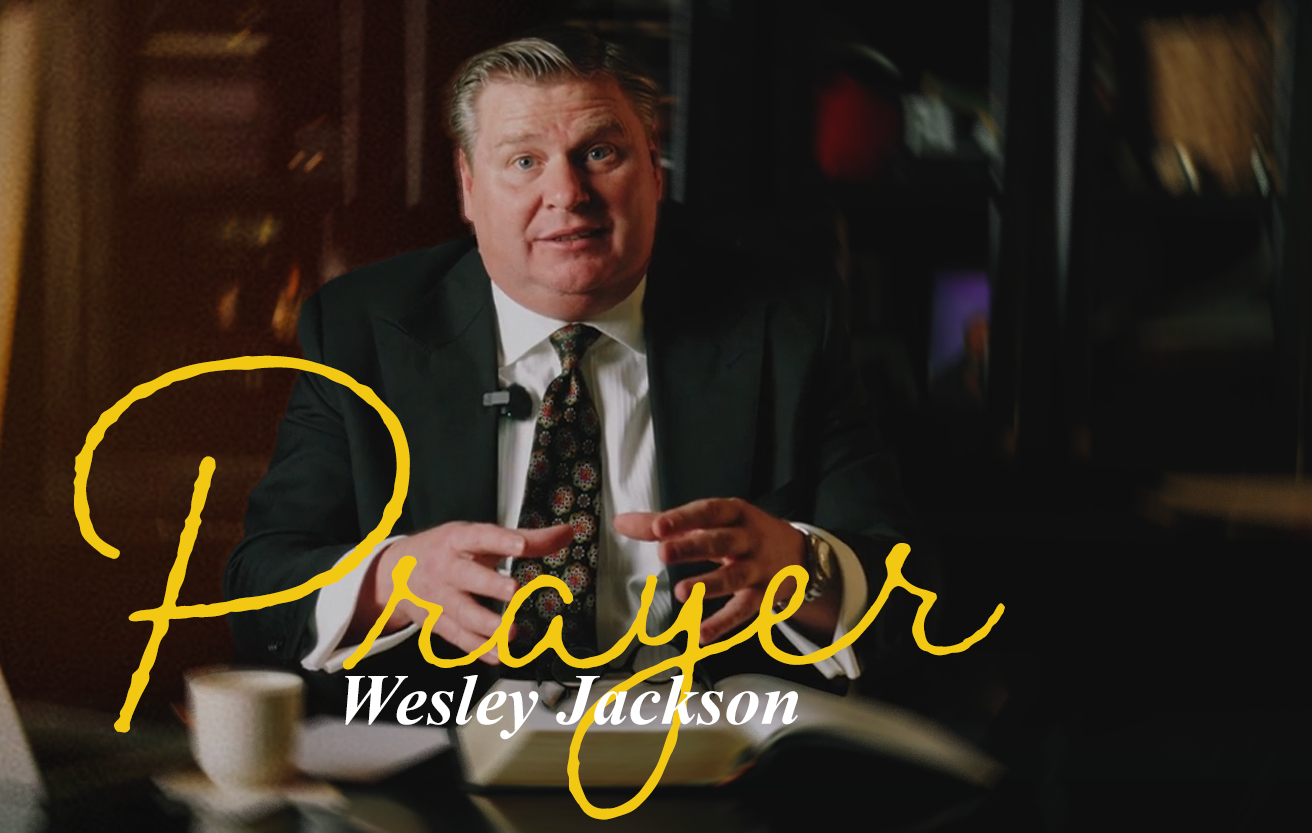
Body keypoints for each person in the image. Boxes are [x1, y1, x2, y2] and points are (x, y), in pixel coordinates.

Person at [224, 28, 918, 712]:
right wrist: (388, 580)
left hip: (707, 761)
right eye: (524, 161)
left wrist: (801, 565)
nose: (567, 192)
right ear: (468, 188)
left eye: (600, 152)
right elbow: (260, 590)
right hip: (437, 767)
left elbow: (909, 591)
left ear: (654, 168)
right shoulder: (358, 330)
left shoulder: (786, 325)